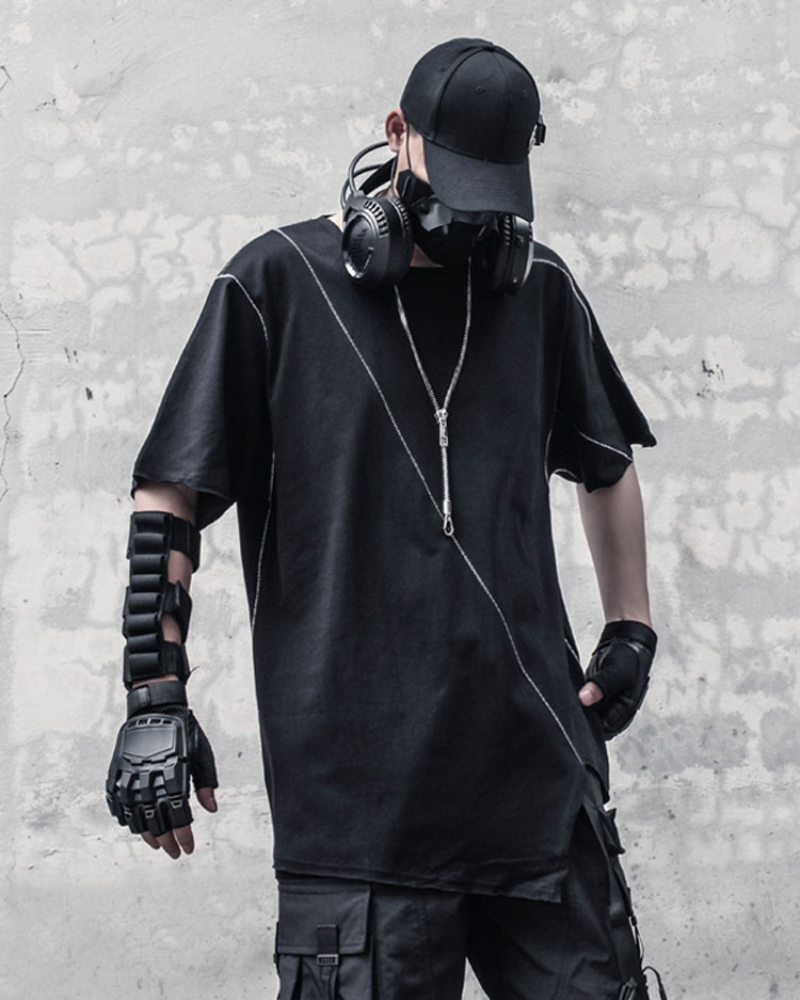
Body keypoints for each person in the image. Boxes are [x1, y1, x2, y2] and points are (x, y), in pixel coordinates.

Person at [107, 37, 667, 1000]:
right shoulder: (274, 283)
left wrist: (631, 628)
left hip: (538, 797)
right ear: (396, 133)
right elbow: (171, 491)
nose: (469, 217)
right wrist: (153, 695)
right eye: (453, 184)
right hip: (360, 818)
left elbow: (606, 464)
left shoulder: (539, 291)